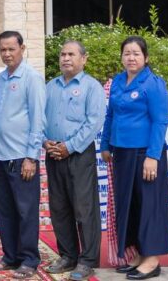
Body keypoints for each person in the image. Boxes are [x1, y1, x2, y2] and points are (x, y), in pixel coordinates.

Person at [101, 36, 168, 280]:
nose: (131, 57)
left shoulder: (153, 83)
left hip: (145, 154)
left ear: (146, 57)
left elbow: (160, 122)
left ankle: (152, 260)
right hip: (121, 153)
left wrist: (152, 156)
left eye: (136, 53)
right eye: (127, 53)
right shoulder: (118, 82)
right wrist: (105, 144)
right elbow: (110, 116)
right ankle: (139, 255)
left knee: (149, 206)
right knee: (130, 206)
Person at [42, 40, 105, 281]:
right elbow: (40, 118)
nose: (66, 58)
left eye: (71, 54)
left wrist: (69, 147)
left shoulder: (92, 87)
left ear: (84, 59)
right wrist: (45, 142)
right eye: (62, 54)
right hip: (53, 153)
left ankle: (87, 260)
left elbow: (94, 122)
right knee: (59, 208)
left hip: (78, 155)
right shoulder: (50, 86)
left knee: (83, 209)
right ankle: (67, 255)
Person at [0, 30, 46, 279]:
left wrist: (32, 156)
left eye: (12, 49)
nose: (7, 54)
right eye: (3, 49)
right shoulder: (1, 78)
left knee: (25, 211)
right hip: (1, 155)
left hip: (22, 157)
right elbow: (1, 117)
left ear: (22, 48)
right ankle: (10, 256)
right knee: (5, 210)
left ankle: (29, 259)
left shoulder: (32, 77)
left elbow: (38, 119)